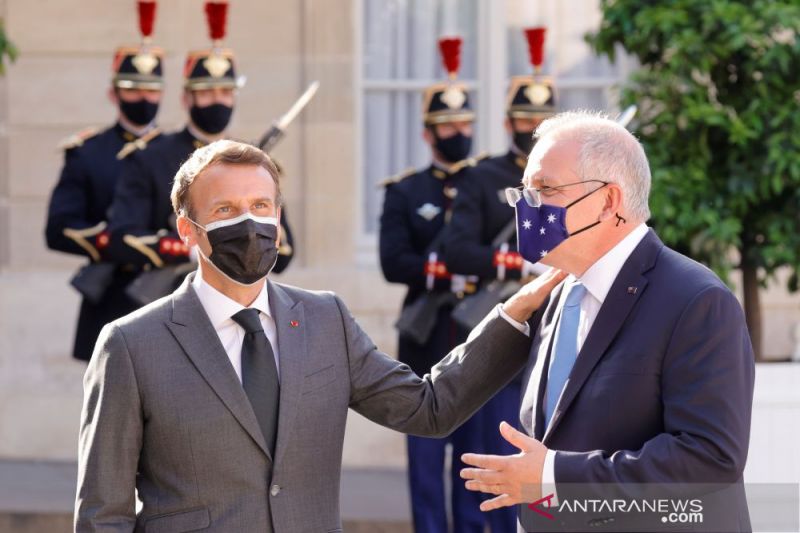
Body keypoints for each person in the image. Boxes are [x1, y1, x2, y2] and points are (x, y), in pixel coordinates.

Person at [73, 139, 566, 532]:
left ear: (279, 220)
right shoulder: (131, 344)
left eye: (261, 205)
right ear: (188, 229)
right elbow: (103, 514)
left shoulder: (324, 319)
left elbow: (427, 408)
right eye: (225, 210)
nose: (249, 222)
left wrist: (513, 316)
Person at [459, 111, 755, 532]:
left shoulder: (697, 300)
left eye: (545, 189)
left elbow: (709, 459)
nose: (527, 207)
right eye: (523, 191)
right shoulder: (558, 293)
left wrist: (556, 477)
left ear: (609, 202)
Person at [442, 27, 555, 531]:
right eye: (525, 119)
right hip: (505, 327)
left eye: (542, 120)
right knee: (487, 459)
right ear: (509, 121)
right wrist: (510, 261)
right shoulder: (484, 177)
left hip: (553, 331)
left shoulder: (571, 179)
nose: (533, 127)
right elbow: (455, 248)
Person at [106, 0, 294, 292]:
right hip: (167, 298)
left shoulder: (253, 161)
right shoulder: (151, 156)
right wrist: (191, 247)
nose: (217, 101)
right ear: (186, 99)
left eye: (225, 92)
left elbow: (283, 254)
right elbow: (123, 237)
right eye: (206, 93)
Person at [378, 36, 488, 532]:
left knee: (475, 469)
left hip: (477, 338)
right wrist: (442, 269)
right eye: (447, 126)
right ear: (428, 133)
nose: (457, 133)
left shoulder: (487, 185)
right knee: (426, 470)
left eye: (464, 124)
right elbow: (392, 261)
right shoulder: (407, 190)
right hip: (425, 339)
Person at [44, 1, 164, 362]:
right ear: (113, 93)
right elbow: (59, 228)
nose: (143, 98)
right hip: (111, 294)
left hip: (167, 292)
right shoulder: (88, 152)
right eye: (132, 88)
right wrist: (116, 244)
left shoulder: (176, 151)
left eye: (151, 89)